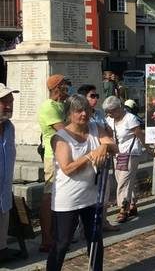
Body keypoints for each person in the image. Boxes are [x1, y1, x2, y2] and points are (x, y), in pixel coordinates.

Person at [46, 94, 118, 271]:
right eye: (79, 111)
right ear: (69, 114)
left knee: (94, 238)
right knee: (62, 243)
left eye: (86, 109)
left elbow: (114, 147)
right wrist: (89, 156)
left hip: (92, 195)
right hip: (68, 198)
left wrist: (103, 146)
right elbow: (67, 168)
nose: (84, 114)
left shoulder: (96, 127)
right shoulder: (60, 138)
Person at [76, 86, 118, 232]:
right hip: (87, 159)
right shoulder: (77, 116)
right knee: (85, 194)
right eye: (92, 96)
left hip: (104, 157)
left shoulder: (99, 113)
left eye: (97, 95)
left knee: (104, 193)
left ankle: (103, 221)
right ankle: (80, 228)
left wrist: (106, 142)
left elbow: (109, 131)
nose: (96, 99)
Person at [37, 74, 68, 252]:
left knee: (58, 196)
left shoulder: (61, 104)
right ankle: (46, 238)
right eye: (64, 85)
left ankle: (56, 233)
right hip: (52, 156)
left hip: (61, 154)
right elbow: (63, 130)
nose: (67, 88)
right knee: (49, 196)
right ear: (56, 87)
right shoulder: (49, 106)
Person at [103, 96, 144, 224]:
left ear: (119, 107)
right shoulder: (109, 119)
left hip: (130, 153)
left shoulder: (130, 118)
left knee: (124, 182)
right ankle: (131, 205)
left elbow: (140, 135)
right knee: (121, 179)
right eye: (108, 111)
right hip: (118, 154)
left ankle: (123, 209)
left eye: (112, 111)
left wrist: (148, 148)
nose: (110, 114)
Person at [0, 84, 19, 262]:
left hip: (4, 192)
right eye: (4, 101)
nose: (8, 105)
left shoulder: (9, 128)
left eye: (10, 101)